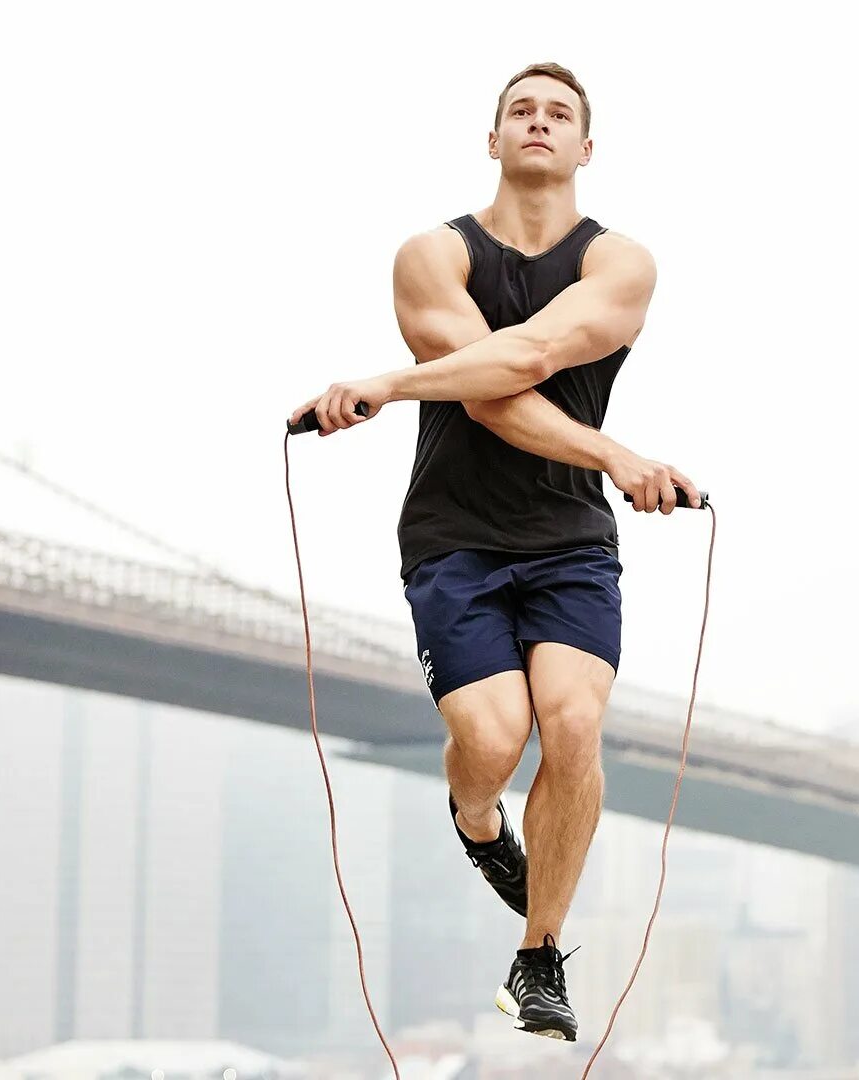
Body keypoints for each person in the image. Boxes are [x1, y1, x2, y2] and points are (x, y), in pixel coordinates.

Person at [287, 60, 701, 1043]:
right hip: (455, 536)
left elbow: (521, 358)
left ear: (586, 147)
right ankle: (478, 823)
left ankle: (538, 958)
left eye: (560, 114)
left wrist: (383, 385)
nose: (540, 123)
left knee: (572, 725)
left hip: (570, 541)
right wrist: (616, 453)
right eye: (521, 110)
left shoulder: (621, 265)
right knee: (491, 741)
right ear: (494, 138)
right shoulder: (432, 256)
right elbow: (487, 390)